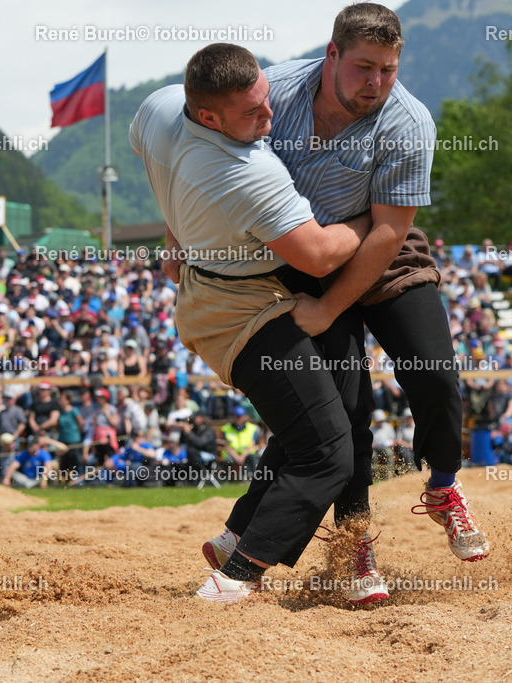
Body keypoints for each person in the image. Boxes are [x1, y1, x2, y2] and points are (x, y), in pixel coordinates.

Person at [200, 4, 488, 591]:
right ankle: (356, 546)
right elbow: (204, 152)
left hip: (382, 249)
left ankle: (444, 485)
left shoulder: (409, 122)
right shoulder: (273, 93)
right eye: (363, 67)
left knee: (434, 372)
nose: (376, 82)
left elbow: (387, 232)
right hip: (301, 260)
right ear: (331, 55)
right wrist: (184, 230)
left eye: (388, 69)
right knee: (345, 413)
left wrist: (331, 309)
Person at [130, 42, 373, 602]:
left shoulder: (162, 106)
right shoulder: (247, 171)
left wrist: (177, 226)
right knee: (327, 452)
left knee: (318, 424)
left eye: (266, 100)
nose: (270, 119)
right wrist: (377, 218)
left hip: (236, 291)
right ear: (209, 116)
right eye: (253, 113)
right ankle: (236, 576)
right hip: (236, 312)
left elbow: (152, 157)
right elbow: (317, 254)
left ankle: (236, 535)